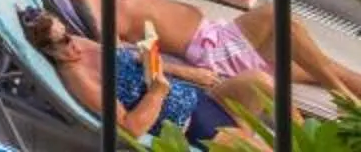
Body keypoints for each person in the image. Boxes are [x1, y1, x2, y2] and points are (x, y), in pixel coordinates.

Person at [40, 0, 361, 105]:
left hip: (219, 35)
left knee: (327, 67)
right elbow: (120, 55)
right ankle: (344, 100)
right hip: (213, 54)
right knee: (281, 21)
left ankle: (345, 94)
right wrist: (188, 74)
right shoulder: (90, 4)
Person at [23, 8, 272, 150]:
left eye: (67, 32)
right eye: (62, 42)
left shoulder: (78, 44)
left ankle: (301, 135)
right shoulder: (80, 79)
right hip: (191, 125)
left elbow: (124, 56)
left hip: (200, 98)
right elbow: (130, 127)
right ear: (47, 51)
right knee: (257, 149)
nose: (72, 42)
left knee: (262, 82)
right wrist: (158, 92)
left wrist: (182, 71)